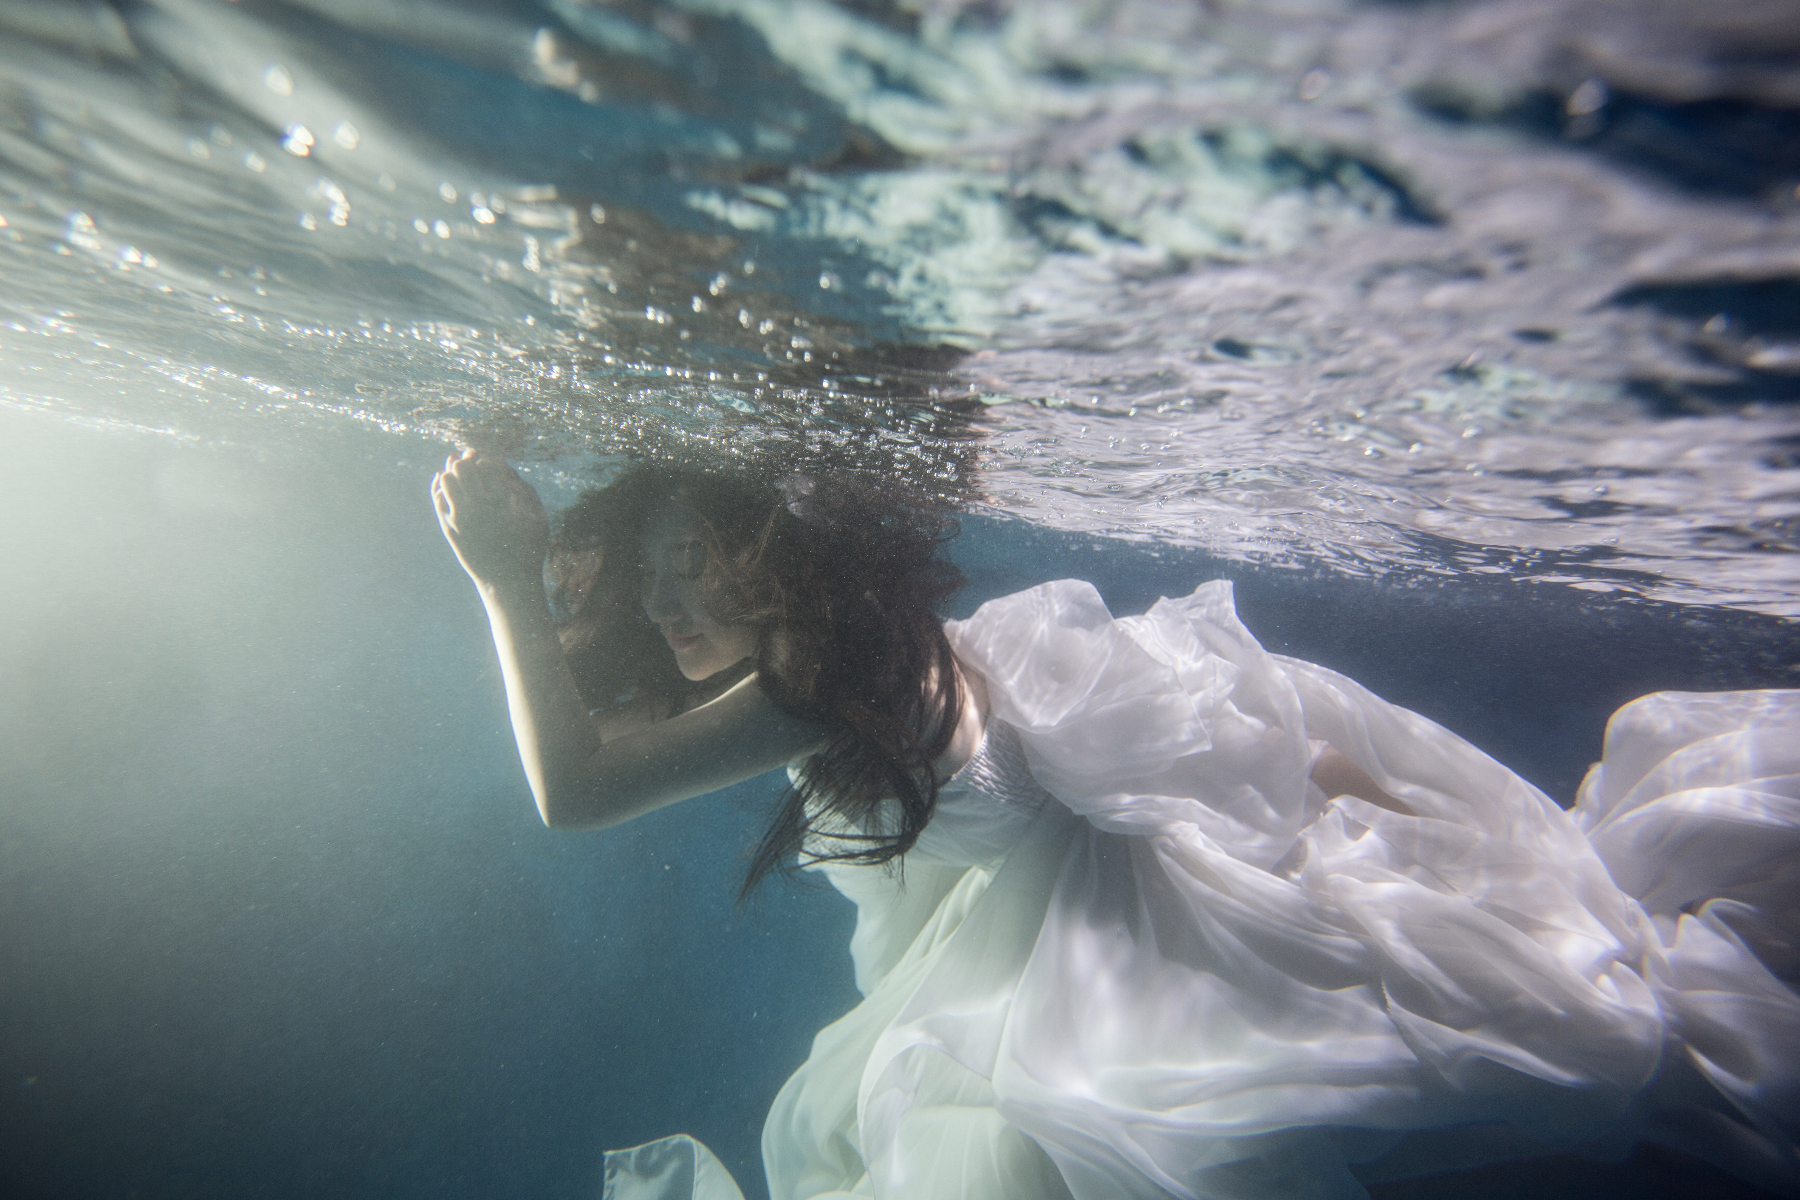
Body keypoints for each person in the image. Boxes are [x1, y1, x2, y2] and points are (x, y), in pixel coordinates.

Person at [432, 450, 1800, 1200]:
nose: (671, 608)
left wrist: (495, 577)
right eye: (655, 577)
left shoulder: (806, 685)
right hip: (1064, 881)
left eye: (696, 570)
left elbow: (577, 792)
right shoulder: (821, 655)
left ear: (767, 564)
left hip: (1088, 927)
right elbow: (612, 738)